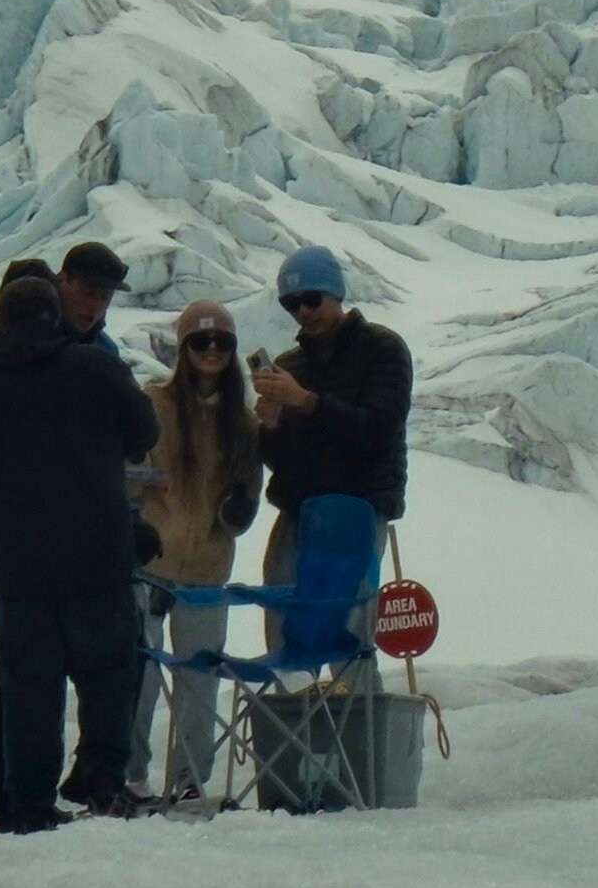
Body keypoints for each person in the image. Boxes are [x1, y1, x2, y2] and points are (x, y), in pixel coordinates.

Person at [0, 242, 157, 826]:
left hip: (20, 565)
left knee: (29, 688)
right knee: (109, 676)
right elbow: (144, 430)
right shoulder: (95, 366)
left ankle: (28, 801)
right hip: (97, 558)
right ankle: (104, 782)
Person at [242, 244, 411, 679]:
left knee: (348, 634)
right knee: (285, 632)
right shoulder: (290, 364)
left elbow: (378, 429)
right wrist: (274, 424)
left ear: (336, 292)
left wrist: (305, 400)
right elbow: (281, 459)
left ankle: (356, 742)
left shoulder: (383, 349)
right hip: (300, 510)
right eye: (291, 304)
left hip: (357, 508)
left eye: (312, 299)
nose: (303, 312)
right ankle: (296, 738)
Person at [139, 299, 264, 812]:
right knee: (141, 676)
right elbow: (130, 475)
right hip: (151, 563)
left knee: (199, 677)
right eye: (200, 341)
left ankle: (189, 780)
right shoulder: (152, 405)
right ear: (184, 347)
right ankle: (131, 776)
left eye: (221, 343)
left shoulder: (246, 423)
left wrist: (238, 512)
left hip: (209, 565)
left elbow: (250, 495)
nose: (212, 351)